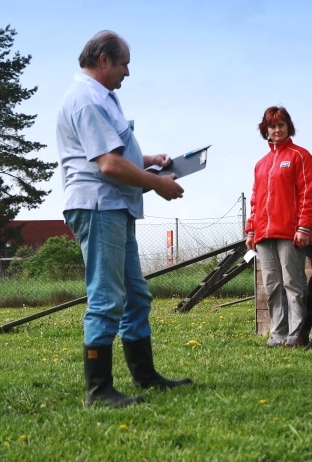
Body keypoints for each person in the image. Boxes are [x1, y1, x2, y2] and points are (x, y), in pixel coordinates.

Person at [57, 30, 192, 408]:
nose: (127, 72)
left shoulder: (103, 98)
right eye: (123, 64)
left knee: (135, 294)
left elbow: (112, 152)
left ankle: (145, 376)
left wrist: (148, 160)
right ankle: (98, 391)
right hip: (99, 206)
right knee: (106, 298)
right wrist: (157, 184)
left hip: (115, 207)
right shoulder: (86, 100)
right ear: (103, 61)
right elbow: (108, 163)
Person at [245, 106, 312, 347]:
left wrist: (304, 226)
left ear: (288, 127)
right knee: (273, 285)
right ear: (265, 130)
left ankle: (297, 335)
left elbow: (309, 194)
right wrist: (251, 230)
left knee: (293, 284)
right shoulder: (261, 164)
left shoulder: (300, 156)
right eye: (272, 126)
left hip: (290, 233)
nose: (276, 130)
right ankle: (278, 335)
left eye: (281, 125)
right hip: (263, 235)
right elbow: (255, 199)